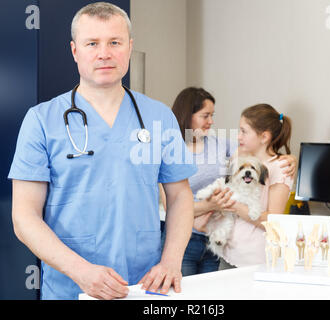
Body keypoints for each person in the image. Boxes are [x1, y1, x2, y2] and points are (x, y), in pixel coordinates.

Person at [8, 2, 197, 300]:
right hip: (69, 288)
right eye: (92, 43)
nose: (104, 53)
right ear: (75, 51)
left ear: (129, 47)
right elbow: (24, 216)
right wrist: (81, 271)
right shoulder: (41, 120)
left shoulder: (159, 117)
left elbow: (180, 196)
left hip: (143, 285)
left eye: (115, 42)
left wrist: (171, 261)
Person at [161, 87, 297, 276]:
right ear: (188, 115)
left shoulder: (221, 145)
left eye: (212, 115)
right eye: (205, 115)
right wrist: (212, 204)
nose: (211, 121)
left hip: (218, 242)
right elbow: (171, 208)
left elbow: (263, 150)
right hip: (186, 237)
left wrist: (291, 159)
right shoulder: (168, 150)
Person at [220, 103, 294, 269]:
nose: (238, 137)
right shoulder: (241, 158)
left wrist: (234, 205)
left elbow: (273, 220)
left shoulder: (280, 167)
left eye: (244, 131)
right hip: (229, 252)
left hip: (253, 260)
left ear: (264, 137)